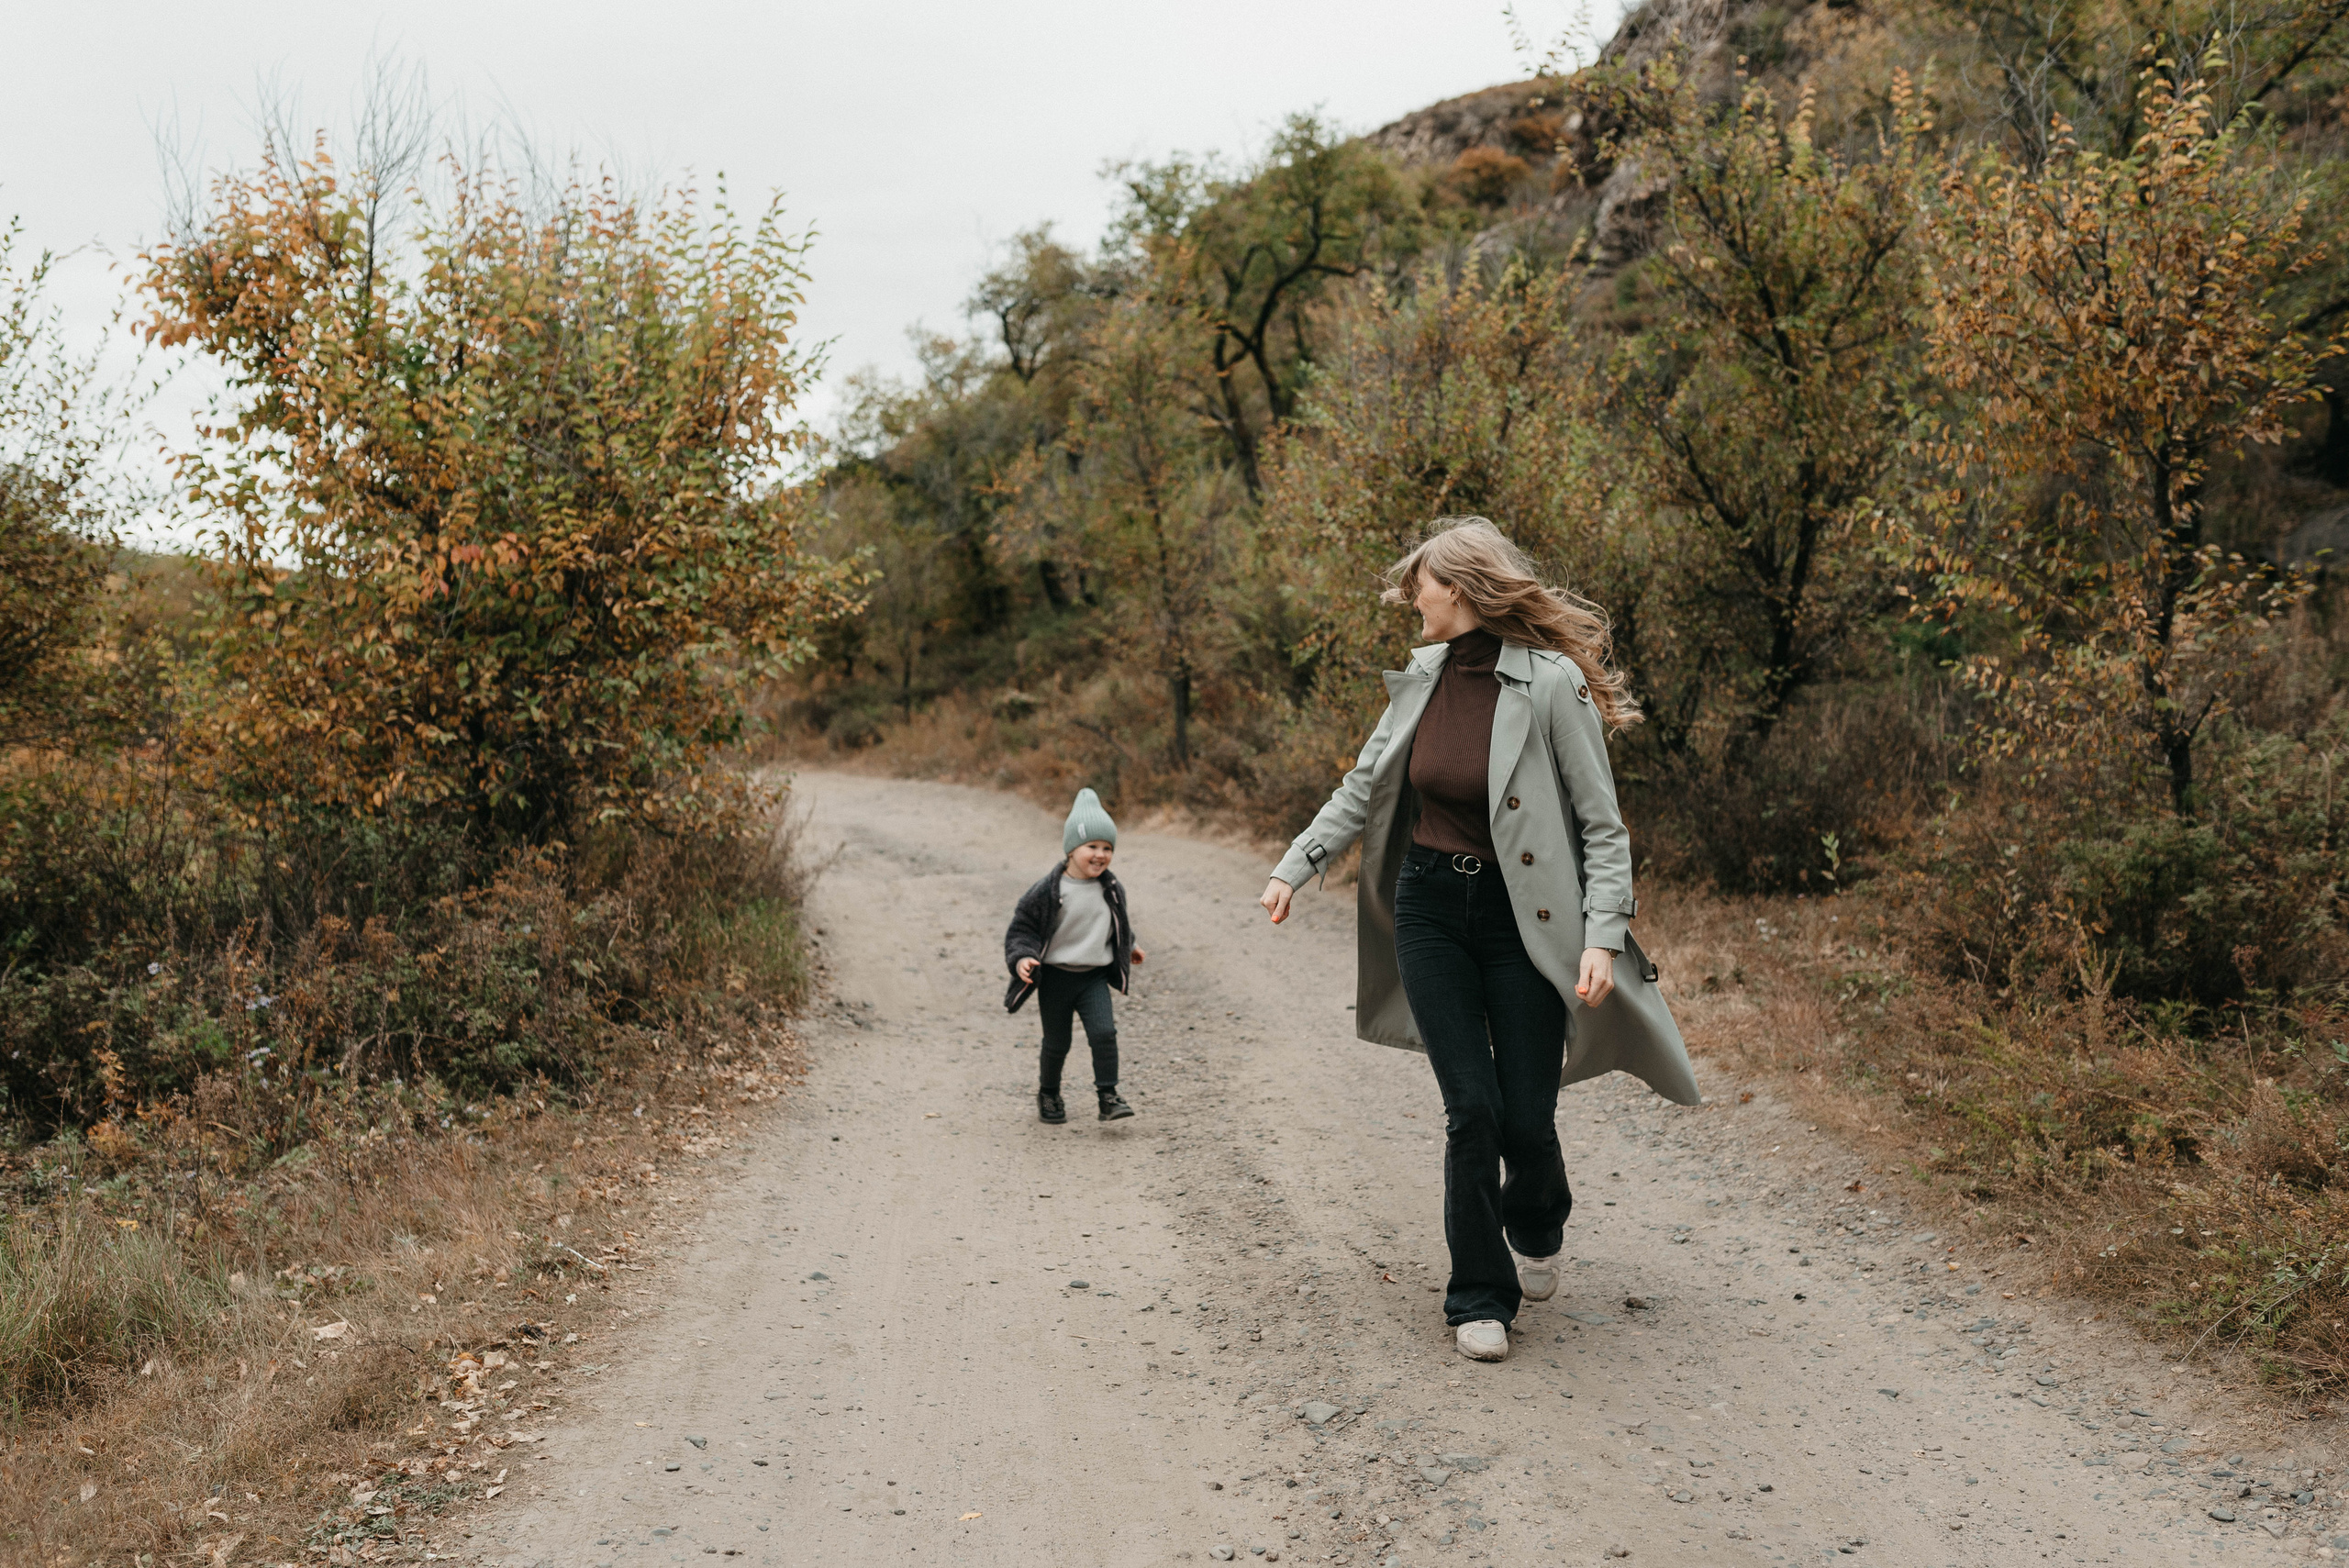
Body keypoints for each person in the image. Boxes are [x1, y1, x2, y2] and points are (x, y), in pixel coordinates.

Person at [1259, 517, 1699, 1363]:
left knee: (1526, 1119)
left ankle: (1536, 1216)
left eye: (1420, 584)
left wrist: (1602, 935)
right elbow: (1364, 784)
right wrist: (1297, 863)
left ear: (1458, 590)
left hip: (1524, 921)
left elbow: (1603, 828)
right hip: (1428, 910)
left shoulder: (1549, 683)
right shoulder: (1421, 678)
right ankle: (1477, 1294)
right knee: (1472, 1109)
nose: (1410, 598)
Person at [1005, 788, 1147, 1124]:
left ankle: (1108, 1095)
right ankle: (1049, 1094)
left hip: (1093, 976)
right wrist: (1022, 957)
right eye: (1092, 847)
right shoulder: (1048, 891)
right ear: (1071, 850)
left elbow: (1118, 923)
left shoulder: (1111, 888)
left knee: (1104, 1033)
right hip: (1055, 976)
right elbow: (1022, 929)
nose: (1100, 855)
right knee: (1057, 1043)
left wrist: (1129, 946)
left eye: (1107, 848)